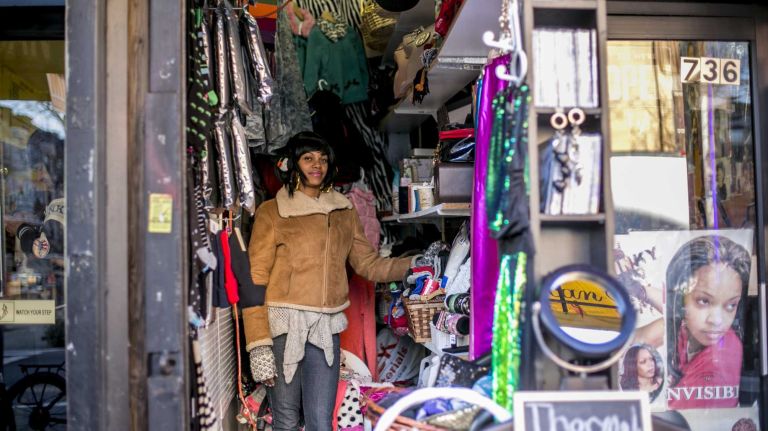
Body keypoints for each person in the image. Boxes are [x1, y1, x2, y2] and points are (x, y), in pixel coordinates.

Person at [242, 132, 413, 430]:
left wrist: (414, 264)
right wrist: (258, 344)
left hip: (325, 329)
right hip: (283, 327)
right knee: (285, 420)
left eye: (322, 159)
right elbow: (255, 280)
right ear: (293, 164)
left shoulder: (344, 211)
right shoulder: (272, 212)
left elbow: (368, 264)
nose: (316, 165)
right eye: (308, 158)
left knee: (321, 421)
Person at [665, 235, 750, 409]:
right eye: (704, 301)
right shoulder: (683, 332)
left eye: (731, 305)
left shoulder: (722, 356)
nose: (717, 321)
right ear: (679, 298)